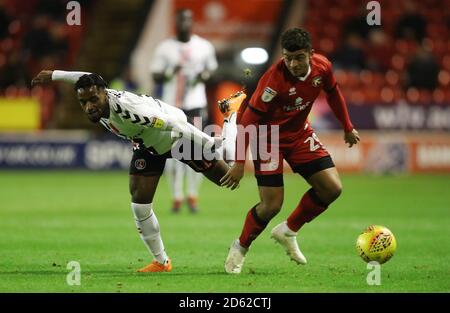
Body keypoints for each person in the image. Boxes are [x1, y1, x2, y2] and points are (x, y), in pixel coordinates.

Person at [31, 69, 245, 273]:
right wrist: (54, 75)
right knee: (139, 203)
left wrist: (209, 142)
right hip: (148, 145)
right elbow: (83, 77)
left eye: (93, 100)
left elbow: (176, 125)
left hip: (176, 137)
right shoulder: (95, 91)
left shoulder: (130, 111)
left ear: (104, 94)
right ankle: (161, 261)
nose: (88, 107)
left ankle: (231, 113)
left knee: (227, 176)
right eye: (83, 102)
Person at [220, 28, 360, 274]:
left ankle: (288, 230)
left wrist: (347, 127)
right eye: (288, 57)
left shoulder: (322, 67)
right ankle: (239, 247)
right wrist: (240, 162)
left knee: (332, 188)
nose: (293, 63)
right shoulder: (273, 81)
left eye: (298, 57)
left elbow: (334, 93)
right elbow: (248, 122)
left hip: (298, 134)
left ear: (310, 54)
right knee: (272, 205)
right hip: (268, 137)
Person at [150, 8, 218, 213]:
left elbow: (212, 69)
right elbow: (155, 76)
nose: (184, 24)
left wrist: (204, 75)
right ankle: (177, 196)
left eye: (187, 20)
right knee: (173, 151)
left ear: (192, 23)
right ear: (175, 23)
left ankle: (192, 194)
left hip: (195, 104)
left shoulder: (203, 46)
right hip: (172, 106)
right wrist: (171, 72)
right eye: (180, 21)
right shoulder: (165, 48)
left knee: (197, 150)